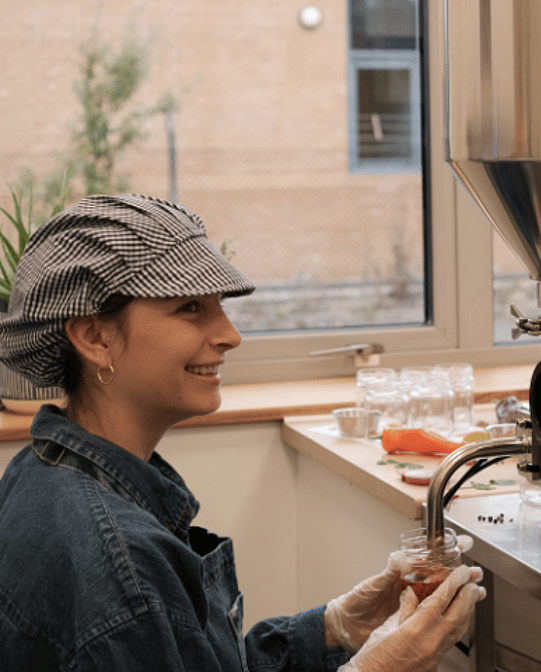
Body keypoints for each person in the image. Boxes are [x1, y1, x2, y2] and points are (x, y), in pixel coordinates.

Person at [0, 194, 485, 671]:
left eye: (220, 306)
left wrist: (335, 626)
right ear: (94, 336)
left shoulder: (42, 468)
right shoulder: (118, 565)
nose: (229, 334)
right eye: (190, 307)